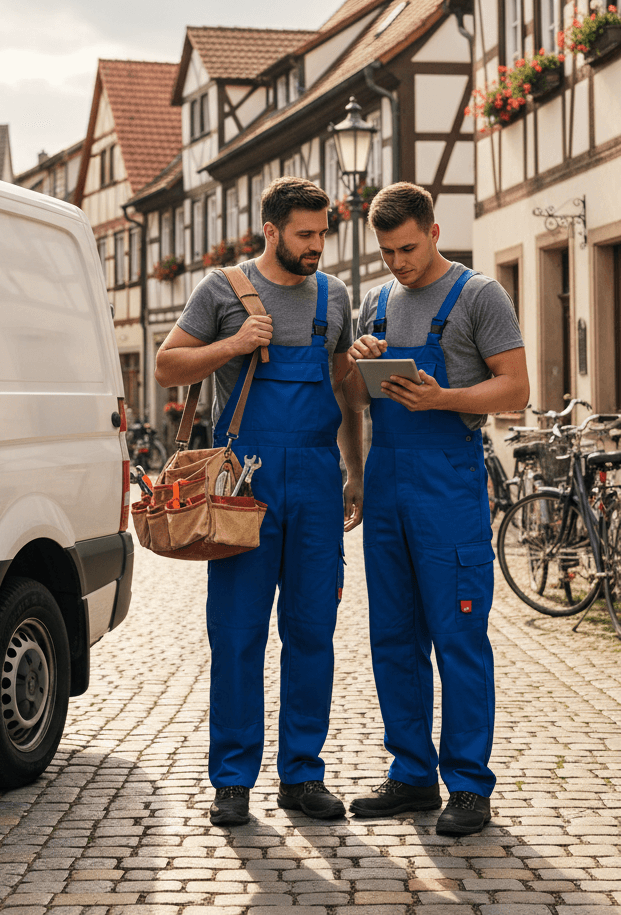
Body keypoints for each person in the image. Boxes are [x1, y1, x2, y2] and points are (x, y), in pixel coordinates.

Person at [155, 176, 363, 826]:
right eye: (306, 234)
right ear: (270, 231)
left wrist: (356, 471)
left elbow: (347, 389)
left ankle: (302, 774)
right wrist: (233, 345)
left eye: (324, 233)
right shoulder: (221, 289)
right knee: (238, 634)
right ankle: (233, 780)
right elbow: (167, 365)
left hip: (318, 480)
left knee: (312, 633)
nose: (317, 246)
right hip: (242, 483)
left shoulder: (335, 297)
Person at [341, 182, 528, 836]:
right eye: (388, 252)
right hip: (388, 483)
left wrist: (443, 399)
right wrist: (355, 364)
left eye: (409, 249)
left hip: (448, 487)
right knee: (394, 638)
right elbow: (357, 402)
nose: (399, 264)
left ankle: (470, 786)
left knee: (459, 639)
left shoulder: (479, 295)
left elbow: (517, 388)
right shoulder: (377, 300)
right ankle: (413, 775)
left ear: (435, 231)